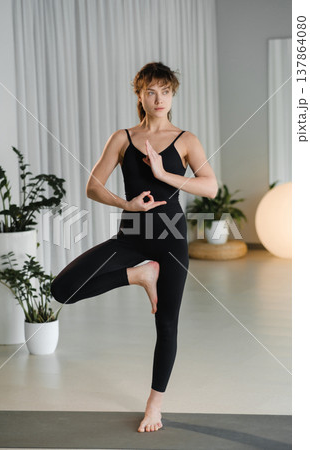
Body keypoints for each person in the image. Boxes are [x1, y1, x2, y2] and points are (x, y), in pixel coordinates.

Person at [50, 61, 218, 433]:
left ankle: (154, 405)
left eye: (166, 91)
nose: (159, 99)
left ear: (173, 94)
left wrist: (163, 175)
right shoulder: (122, 138)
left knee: (167, 323)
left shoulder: (186, 139)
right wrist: (126, 204)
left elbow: (210, 186)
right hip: (131, 235)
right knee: (62, 289)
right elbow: (93, 186)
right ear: (140, 95)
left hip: (171, 238)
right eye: (151, 91)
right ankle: (138, 274)